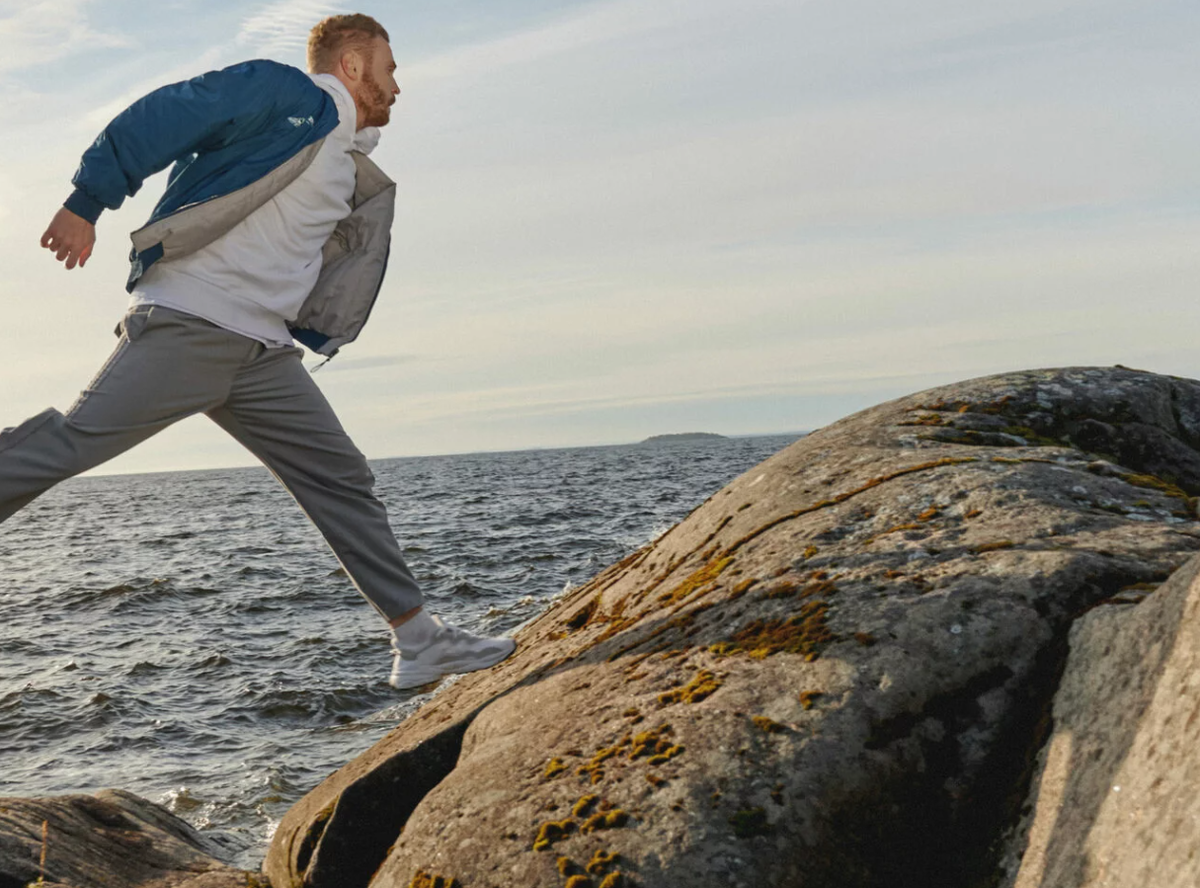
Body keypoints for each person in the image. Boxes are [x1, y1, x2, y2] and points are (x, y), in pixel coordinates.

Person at [1, 13, 516, 690]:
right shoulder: (286, 96)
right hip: (191, 320)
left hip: (262, 353)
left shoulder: (348, 162)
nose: (397, 86)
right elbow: (167, 114)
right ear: (354, 65)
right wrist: (86, 202)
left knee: (341, 479)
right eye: (389, 69)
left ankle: (419, 641)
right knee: (70, 444)